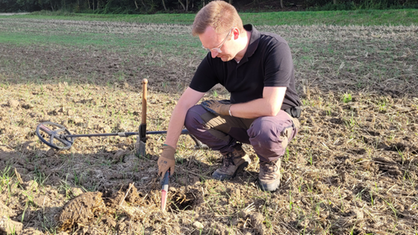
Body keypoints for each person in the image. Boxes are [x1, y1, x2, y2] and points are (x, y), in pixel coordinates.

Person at [157, 0, 301, 192]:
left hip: (276, 121)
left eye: (216, 47)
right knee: (194, 116)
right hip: (240, 119)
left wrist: (227, 109)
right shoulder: (215, 59)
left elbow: (270, 107)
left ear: (234, 33)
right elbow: (183, 105)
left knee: (264, 127)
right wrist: (169, 150)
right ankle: (234, 155)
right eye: (207, 49)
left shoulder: (273, 48)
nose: (213, 55)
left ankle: (269, 162)